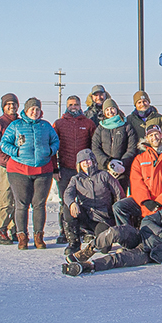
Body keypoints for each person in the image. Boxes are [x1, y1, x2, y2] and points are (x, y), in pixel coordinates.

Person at [62, 193, 162, 275]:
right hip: (141, 236)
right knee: (116, 231)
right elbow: (146, 222)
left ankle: (87, 266)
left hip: (153, 253)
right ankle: (88, 250)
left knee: (119, 258)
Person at [0, 97, 60, 250]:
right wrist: (17, 151)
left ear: (41, 112)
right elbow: (4, 143)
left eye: (37, 109)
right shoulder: (16, 125)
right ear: (26, 111)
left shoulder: (45, 126)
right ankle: (22, 237)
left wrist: (50, 151)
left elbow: (55, 141)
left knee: (39, 204)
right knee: (22, 204)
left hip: (42, 170)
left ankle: (38, 237)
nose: (35, 111)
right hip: (19, 170)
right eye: (32, 109)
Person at [114, 122, 162, 228]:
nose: (154, 138)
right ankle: (127, 234)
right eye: (151, 135)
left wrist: (160, 201)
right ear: (147, 138)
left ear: (161, 135)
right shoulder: (140, 159)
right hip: (143, 203)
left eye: (156, 134)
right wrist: (145, 200)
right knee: (119, 207)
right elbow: (136, 182)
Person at [52, 95, 97, 244]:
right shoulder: (59, 124)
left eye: (76, 104)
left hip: (84, 169)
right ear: (66, 106)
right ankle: (65, 230)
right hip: (65, 168)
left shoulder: (88, 123)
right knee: (66, 200)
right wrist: (55, 169)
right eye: (71, 104)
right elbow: (53, 147)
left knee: (86, 200)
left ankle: (85, 230)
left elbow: (94, 146)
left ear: (80, 106)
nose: (74, 107)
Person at [61, 149, 124, 252]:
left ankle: (96, 236)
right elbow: (68, 194)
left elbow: (118, 192)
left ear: (94, 161)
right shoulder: (76, 179)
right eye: (83, 161)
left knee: (104, 249)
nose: (86, 163)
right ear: (79, 164)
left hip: (103, 217)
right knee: (67, 208)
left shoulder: (104, 175)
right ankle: (74, 243)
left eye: (88, 160)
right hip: (86, 215)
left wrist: (116, 210)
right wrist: (72, 203)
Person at [0, 93, 19, 244]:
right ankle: (1, 230)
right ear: (3, 107)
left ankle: (15, 230)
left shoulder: (21, 122)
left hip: (20, 167)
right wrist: (6, 159)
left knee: (18, 199)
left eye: (14, 104)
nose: (11, 107)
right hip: (6, 166)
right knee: (6, 199)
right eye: (8, 105)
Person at [91, 98, 137, 190]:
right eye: (107, 110)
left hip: (122, 171)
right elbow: (95, 148)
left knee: (120, 197)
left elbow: (132, 148)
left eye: (112, 108)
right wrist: (107, 163)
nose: (110, 112)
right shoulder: (100, 128)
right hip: (104, 170)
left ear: (117, 109)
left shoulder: (126, 126)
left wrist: (121, 164)